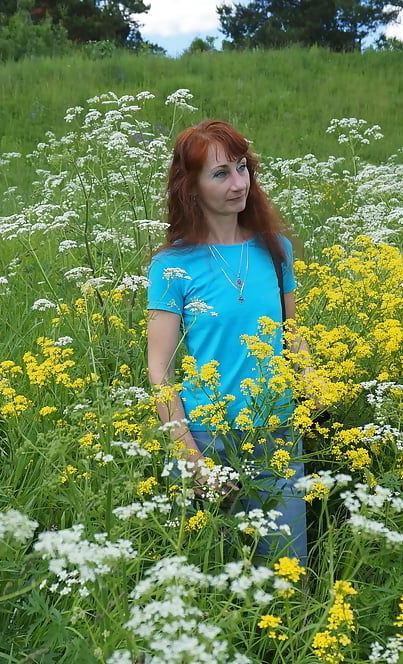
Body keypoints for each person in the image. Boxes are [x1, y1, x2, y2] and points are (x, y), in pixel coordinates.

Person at [146, 120, 308, 566]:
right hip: (209, 439)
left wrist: (315, 384)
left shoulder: (275, 249)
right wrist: (189, 456)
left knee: (288, 570)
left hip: (275, 430)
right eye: (220, 173)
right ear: (191, 188)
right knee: (219, 578)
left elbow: (292, 332)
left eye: (242, 168)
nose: (239, 183)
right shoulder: (172, 265)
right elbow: (159, 367)